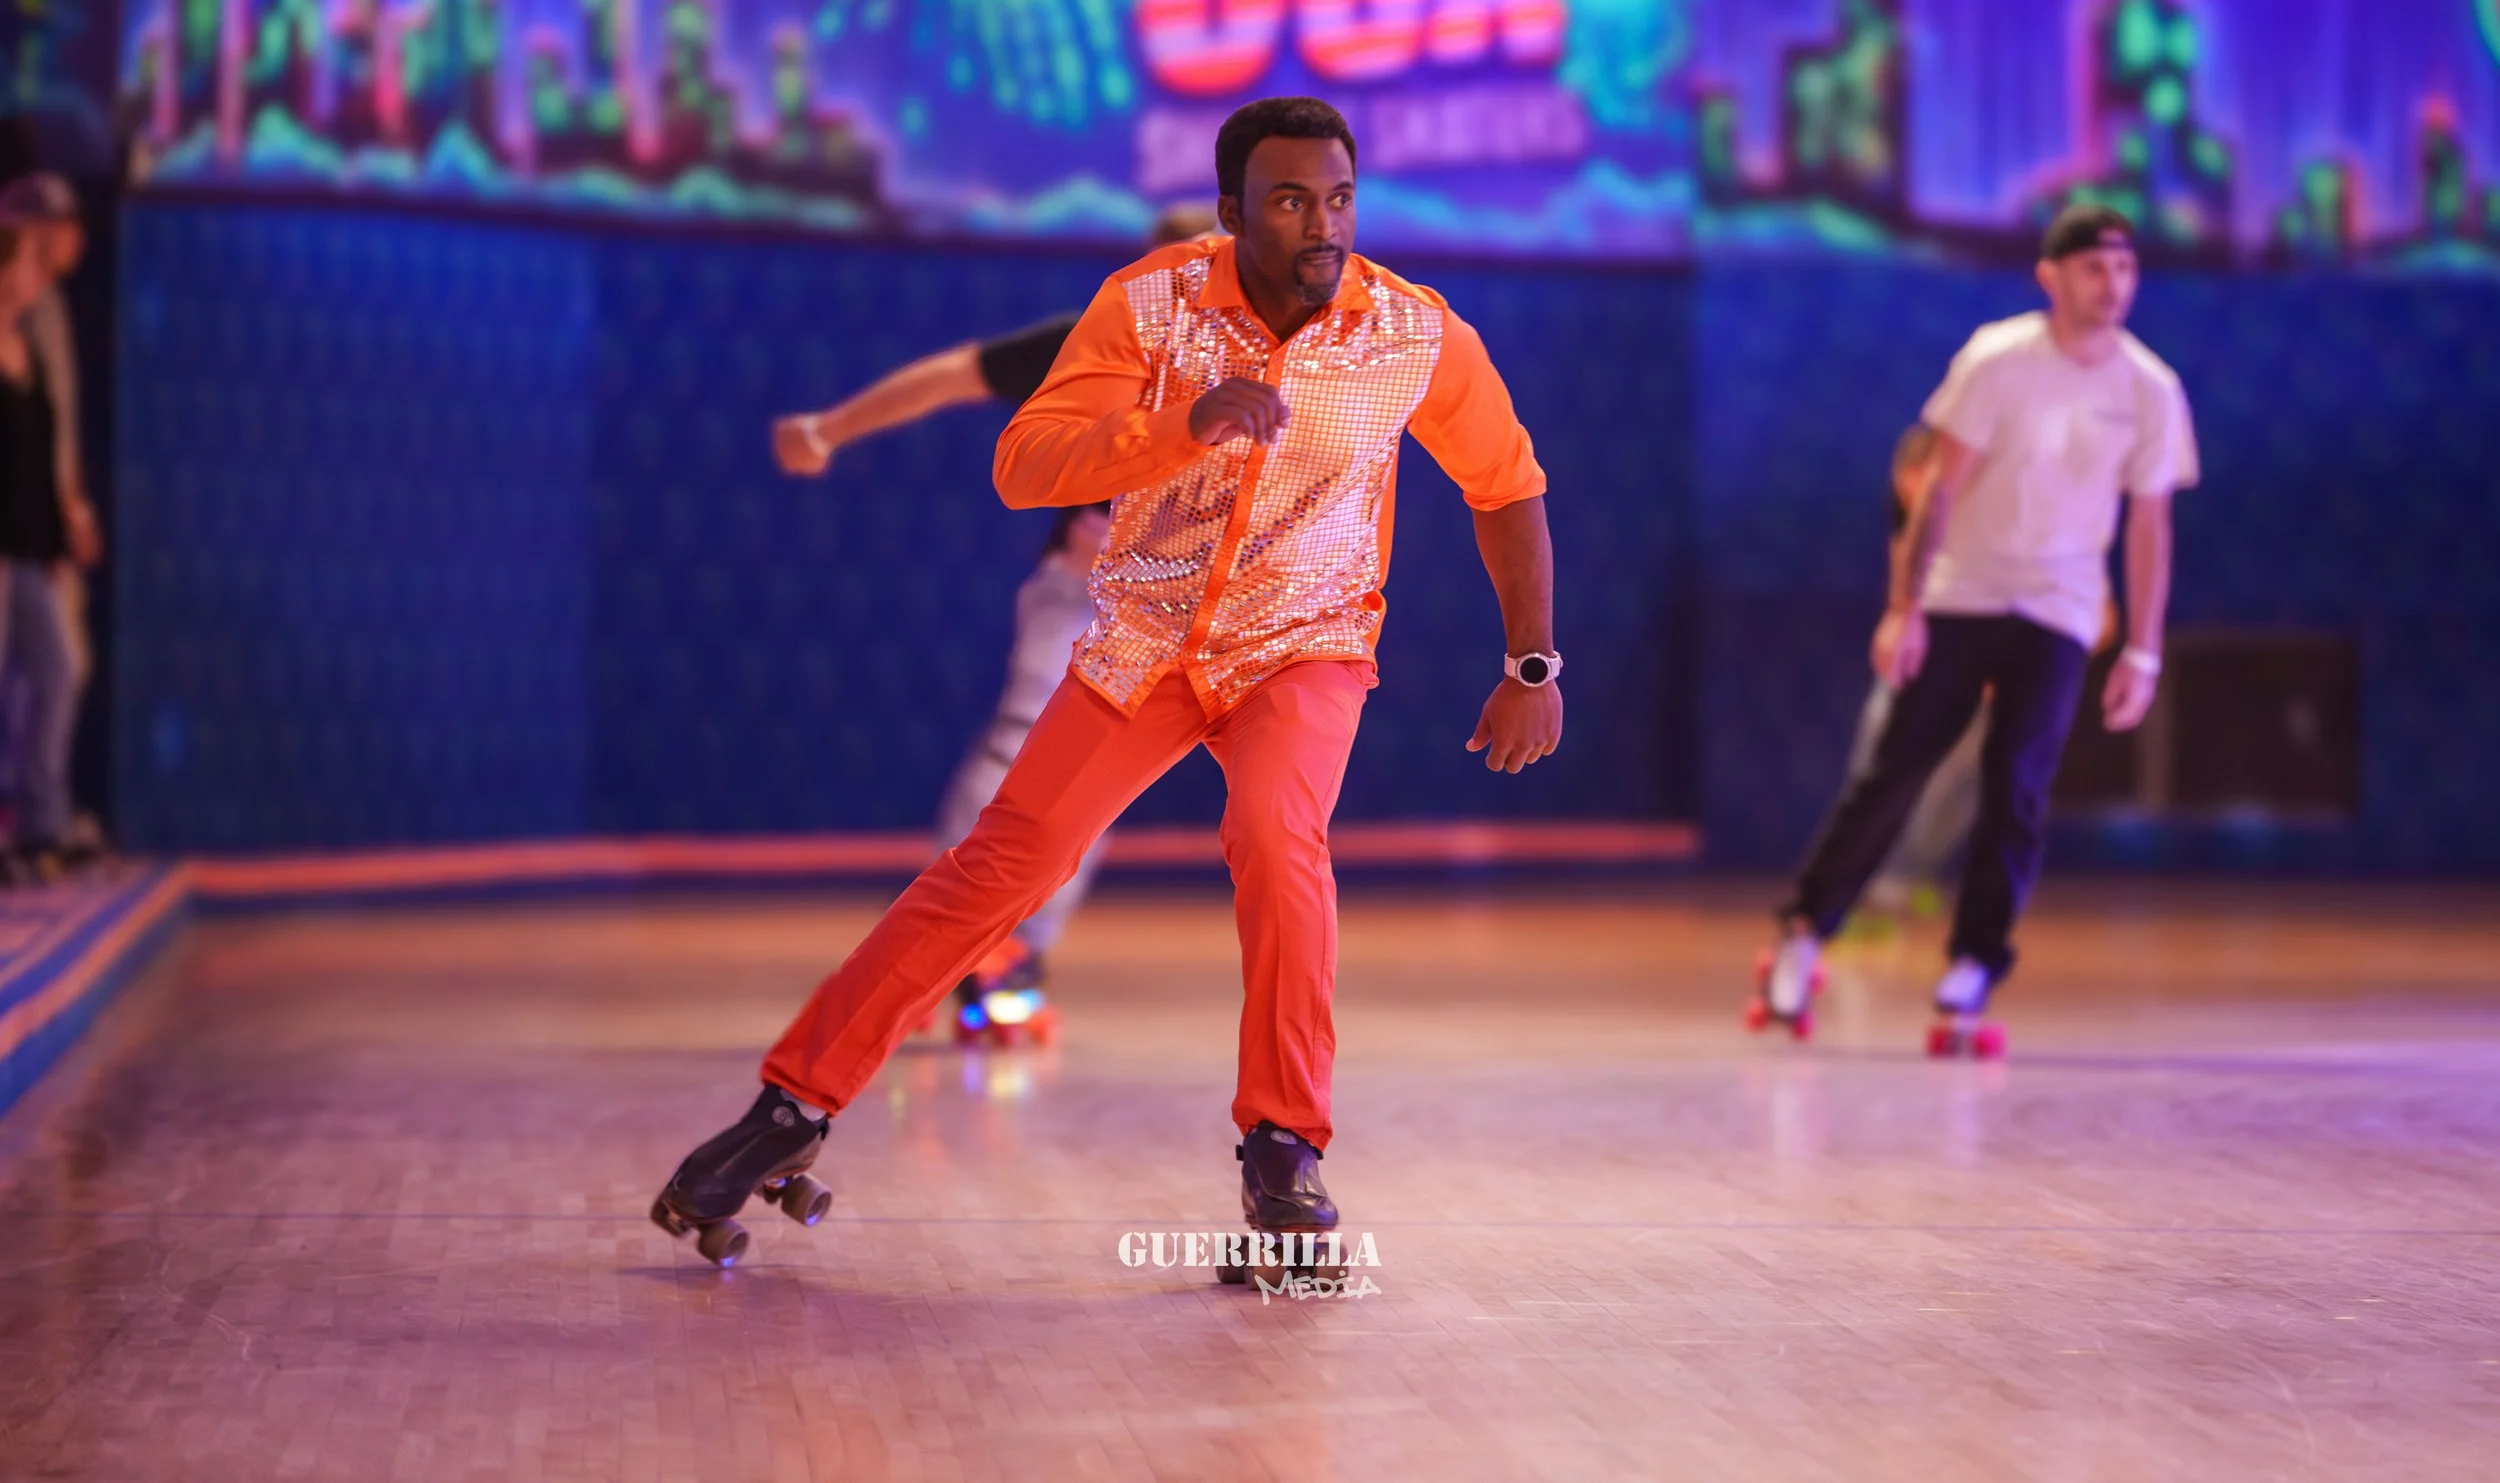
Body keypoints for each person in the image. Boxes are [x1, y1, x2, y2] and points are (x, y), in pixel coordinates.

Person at [653, 96, 1564, 1268]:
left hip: (1305, 643)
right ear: (1234, 210)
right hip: (1146, 642)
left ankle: (1285, 1145)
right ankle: (789, 1106)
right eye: (1289, 200)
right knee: (1000, 864)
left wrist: (1529, 663)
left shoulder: (1412, 332)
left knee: (1277, 838)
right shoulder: (1149, 303)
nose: (1319, 224)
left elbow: (1507, 484)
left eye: (1337, 198)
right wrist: (1180, 424)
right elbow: (1023, 464)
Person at [1751, 204, 2197, 1046]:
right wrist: (1905, 607)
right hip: (1962, 594)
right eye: (2095, 268)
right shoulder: (1997, 361)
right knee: (1894, 769)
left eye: (2126, 269)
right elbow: (1939, 491)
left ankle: (1975, 963)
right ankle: (1805, 932)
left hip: (2059, 608)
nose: (2113, 286)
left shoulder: (2150, 391)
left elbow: (2149, 527)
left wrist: (2143, 646)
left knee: (2017, 785)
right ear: (2052, 276)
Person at [765, 207, 1216, 1038]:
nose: (1189, 296)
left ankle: (1012, 956)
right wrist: (830, 428)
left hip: (1192, 607)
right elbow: (951, 375)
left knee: (1093, 792)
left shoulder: (1280, 363)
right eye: (1171, 275)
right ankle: (968, 942)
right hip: (1083, 596)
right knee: (1022, 746)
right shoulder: (1099, 339)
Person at [1840, 423, 1983, 936]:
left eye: (1919, 476)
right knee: (1875, 767)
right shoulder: (1905, 520)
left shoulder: (1979, 524)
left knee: (1954, 786)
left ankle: (1902, 879)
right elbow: (1905, 590)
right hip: (1913, 668)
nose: (1909, 486)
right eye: (1903, 476)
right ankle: (1858, 889)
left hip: (1972, 679)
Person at [0, 214, 102, 880]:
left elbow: (37, 457)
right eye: (30, 262)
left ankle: (43, 820)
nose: (40, 275)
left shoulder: (25, 348)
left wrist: (58, 535)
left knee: (61, 665)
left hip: (28, 546)